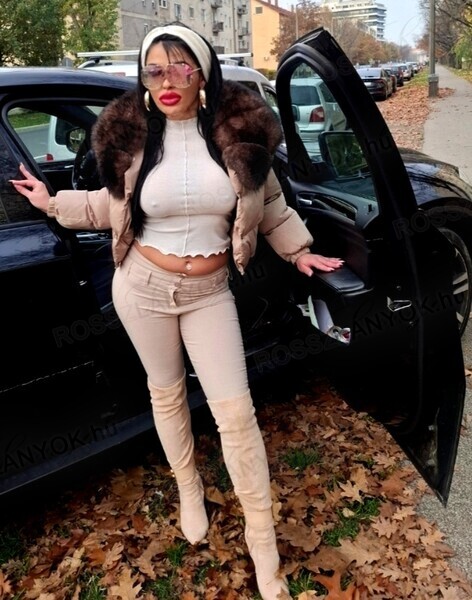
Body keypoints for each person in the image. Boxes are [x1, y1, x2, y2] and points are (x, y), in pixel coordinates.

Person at [11, 24, 343, 600]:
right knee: (166, 396)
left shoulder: (239, 137)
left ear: (203, 73)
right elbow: (108, 206)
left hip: (209, 293)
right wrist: (52, 202)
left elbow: (269, 203)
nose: (167, 80)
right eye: (154, 70)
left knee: (236, 415)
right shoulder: (133, 141)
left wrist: (299, 250)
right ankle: (189, 487)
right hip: (141, 288)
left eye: (180, 67)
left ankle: (264, 551)